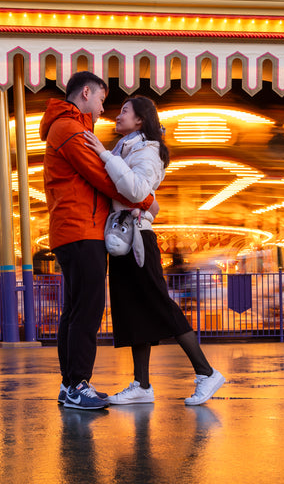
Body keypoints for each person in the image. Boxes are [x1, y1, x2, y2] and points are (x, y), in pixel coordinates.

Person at [83, 95, 225, 406]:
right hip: (122, 235)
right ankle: (142, 384)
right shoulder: (126, 148)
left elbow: (136, 190)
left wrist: (105, 156)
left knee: (159, 304)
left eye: (124, 111)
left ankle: (206, 371)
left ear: (140, 119)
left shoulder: (147, 150)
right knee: (132, 309)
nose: (117, 115)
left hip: (138, 238)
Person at [39, 71, 154, 410]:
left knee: (75, 310)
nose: (104, 109)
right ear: (86, 92)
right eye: (102, 100)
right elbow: (103, 177)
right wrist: (146, 201)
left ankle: (70, 384)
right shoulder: (69, 129)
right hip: (80, 229)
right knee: (87, 310)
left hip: (75, 228)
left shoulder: (72, 127)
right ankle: (77, 385)